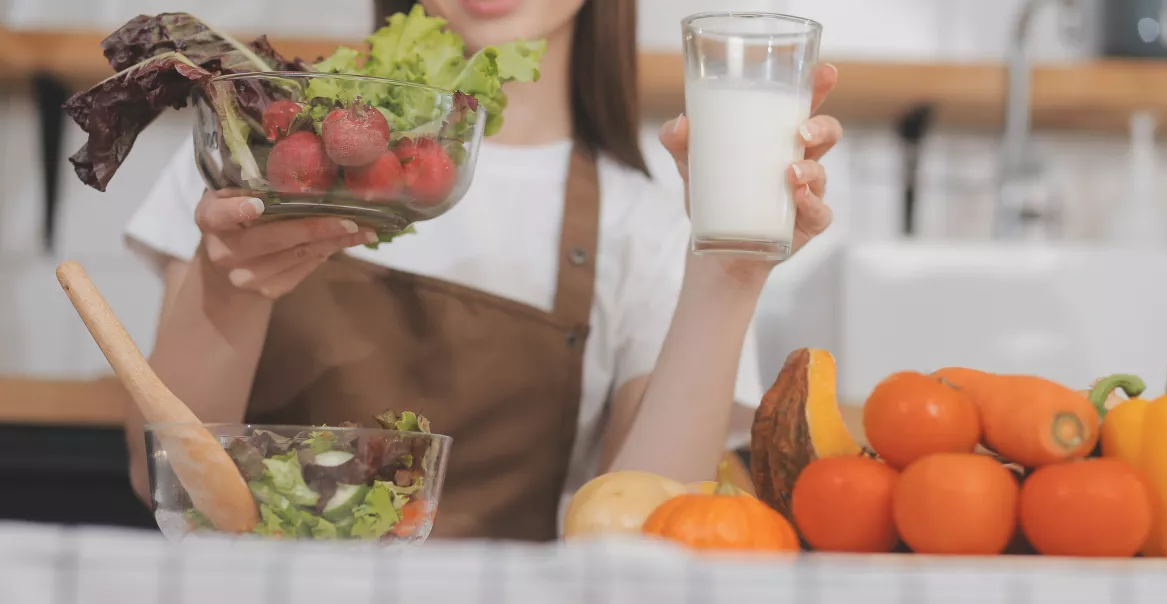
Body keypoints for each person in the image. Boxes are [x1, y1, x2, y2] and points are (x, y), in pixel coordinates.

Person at [123, 0, 843, 540]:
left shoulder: (652, 223)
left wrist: (730, 273)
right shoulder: (264, 149)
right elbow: (160, 481)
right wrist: (228, 286)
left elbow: (643, 530)